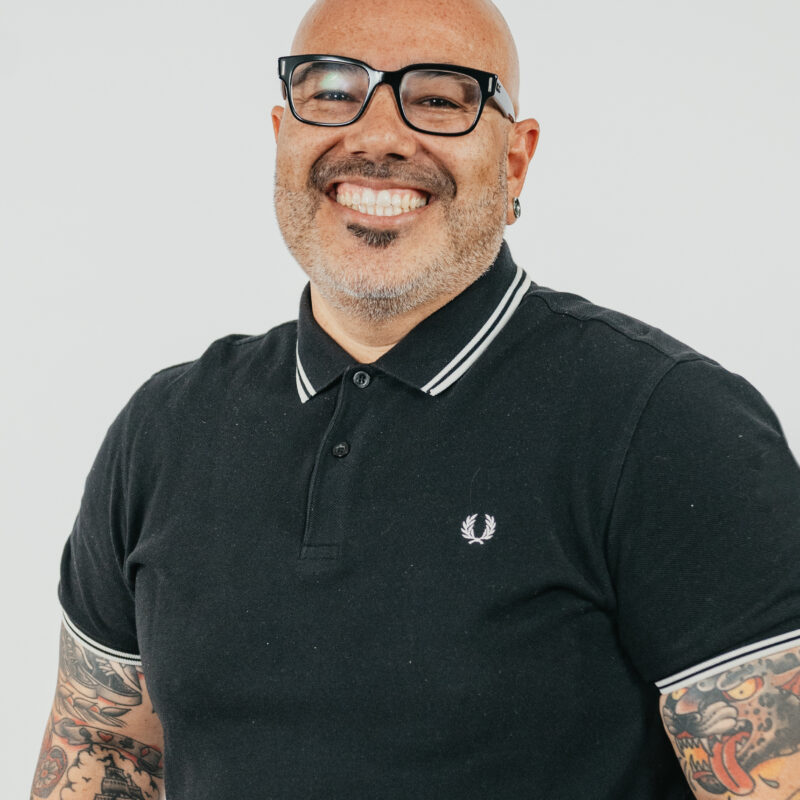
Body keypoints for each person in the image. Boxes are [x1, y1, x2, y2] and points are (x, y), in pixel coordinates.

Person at [31, 0, 800, 798]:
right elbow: (105, 747)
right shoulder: (165, 432)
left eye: (437, 98)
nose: (377, 137)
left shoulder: (669, 423)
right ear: (282, 136)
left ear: (515, 162)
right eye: (333, 93)